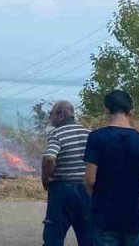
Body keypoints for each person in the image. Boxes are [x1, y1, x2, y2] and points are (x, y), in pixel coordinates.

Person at [83, 90, 139, 246]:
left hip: (105, 217)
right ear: (131, 111)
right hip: (135, 219)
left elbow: (90, 180)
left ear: (106, 109)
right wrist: (137, 181)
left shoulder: (96, 138)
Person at [41, 100, 93, 246]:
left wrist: (46, 178)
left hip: (62, 190)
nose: (50, 117)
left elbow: (50, 159)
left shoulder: (56, 134)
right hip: (87, 190)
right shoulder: (89, 133)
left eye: (51, 113)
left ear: (61, 115)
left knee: (54, 237)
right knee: (88, 237)